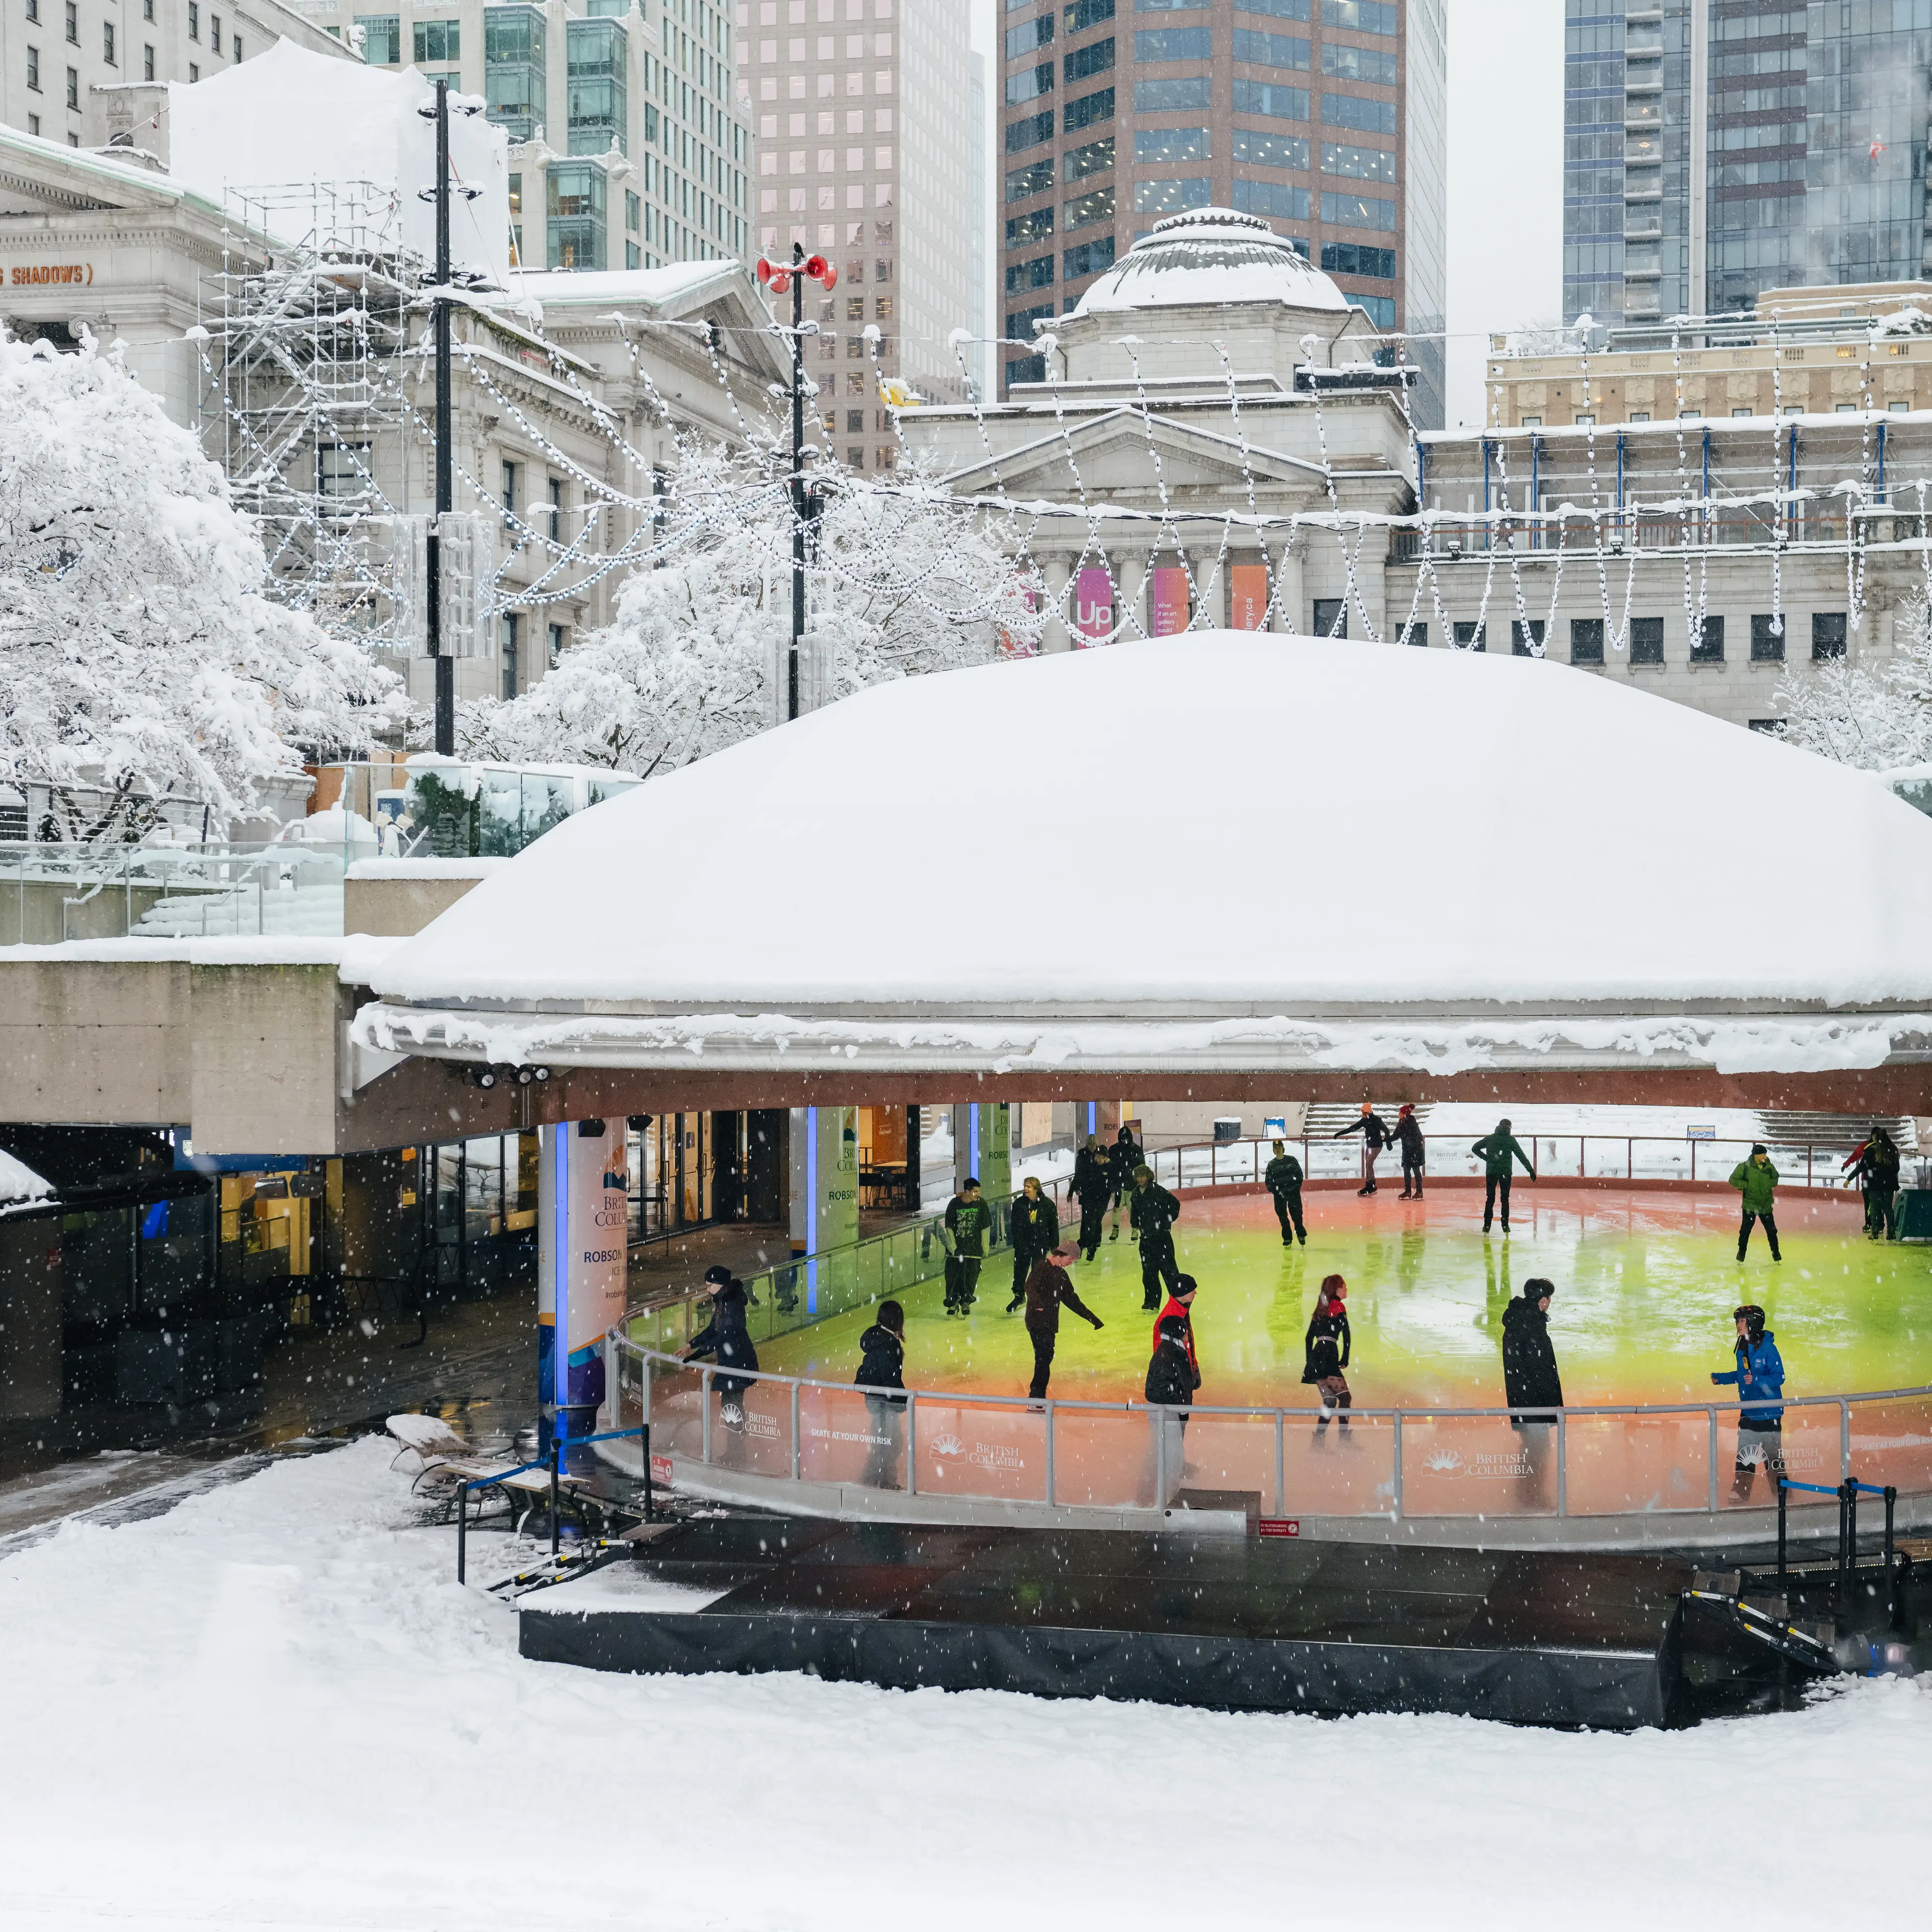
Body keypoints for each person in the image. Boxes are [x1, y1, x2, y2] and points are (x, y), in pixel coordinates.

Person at [1712, 1303, 1786, 1500]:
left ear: (1753, 1322)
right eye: (1738, 1320)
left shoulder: (1769, 1348)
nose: (1738, 1324)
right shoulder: (1742, 1347)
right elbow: (1742, 1374)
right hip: (1748, 1412)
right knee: (1745, 1455)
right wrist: (1722, 1378)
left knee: (1773, 1460)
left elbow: (1779, 1377)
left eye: (1743, 1320)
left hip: (1769, 1414)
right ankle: (1740, 1495)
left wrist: (1758, 1380)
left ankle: (1783, 1497)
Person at [1022, 1241, 1103, 1399]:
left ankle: (1037, 1394)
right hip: (1037, 1320)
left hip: (1050, 1323)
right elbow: (1030, 1287)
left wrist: (1092, 1318)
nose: (1071, 1263)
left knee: (1047, 1355)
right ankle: (1036, 1395)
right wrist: (1038, 1305)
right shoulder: (1042, 1267)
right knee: (1044, 1356)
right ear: (1061, 1254)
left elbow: (1072, 1300)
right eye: (1071, 1259)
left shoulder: (1061, 1275)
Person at [682, 1268, 758, 1432]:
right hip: (731, 1363)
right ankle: (735, 1447)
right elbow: (713, 1329)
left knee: (732, 1407)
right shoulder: (722, 1302)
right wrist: (691, 1345)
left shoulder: (731, 1305)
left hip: (738, 1364)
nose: (708, 1290)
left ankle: (736, 1449)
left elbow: (722, 1336)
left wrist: (697, 1354)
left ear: (720, 1284)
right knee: (730, 1406)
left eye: (710, 1286)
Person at [854, 1299, 908, 1488]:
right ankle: (884, 1480)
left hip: (874, 1397)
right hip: (883, 1399)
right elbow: (889, 1377)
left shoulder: (876, 1337)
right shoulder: (889, 1344)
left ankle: (872, 1478)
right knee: (890, 1442)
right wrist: (902, 1400)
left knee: (882, 1439)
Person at [1500, 1276, 1563, 1428]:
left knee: (1530, 1442)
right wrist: (1550, 1405)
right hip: (1536, 1403)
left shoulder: (1516, 1319)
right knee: (1539, 1445)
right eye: (1549, 1298)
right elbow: (1541, 1368)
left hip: (1521, 1400)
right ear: (1543, 1300)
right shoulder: (1534, 1324)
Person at [1302, 1274, 1352, 1433]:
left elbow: (1309, 1337)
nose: (1346, 1290)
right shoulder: (1338, 1306)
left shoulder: (1321, 1308)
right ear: (1337, 1289)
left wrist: (1310, 1361)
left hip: (1317, 1357)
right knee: (1345, 1398)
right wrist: (1345, 1358)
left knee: (1330, 1401)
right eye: (1344, 1287)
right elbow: (1347, 1334)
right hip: (1328, 1356)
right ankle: (1344, 1437)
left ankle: (1318, 1440)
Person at [1130, 1164, 1183, 1310]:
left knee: (1169, 1271)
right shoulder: (1135, 1194)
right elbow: (1134, 1211)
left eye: (1142, 1176)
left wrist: (1166, 1223)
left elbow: (1174, 1204)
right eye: (1138, 1176)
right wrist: (1135, 1225)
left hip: (1162, 1238)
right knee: (1149, 1273)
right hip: (1146, 1239)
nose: (1140, 1179)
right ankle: (1151, 1302)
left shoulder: (1158, 1191)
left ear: (1148, 1176)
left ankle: (1179, 1301)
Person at [1006, 1174, 1061, 1312]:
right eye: (1025, 1186)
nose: (1026, 1189)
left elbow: (1053, 1225)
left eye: (1029, 1187)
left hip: (1040, 1245)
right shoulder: (1019, 1204)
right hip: (1023, 1246)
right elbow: (1015, 1226)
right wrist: (1018, 1243)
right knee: (1019, 1273)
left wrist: (1055, 1245)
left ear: (1036, 1189)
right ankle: (1019, 1296)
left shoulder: (1047, 1205)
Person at [1471, 1118, 1536, 1235]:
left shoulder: (1490, 1138)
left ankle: (1487, 1225)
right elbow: (1521, 1156)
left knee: (1490, 1198)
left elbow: (1475, 1148)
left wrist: (1487, 1158)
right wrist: (1530, 1170)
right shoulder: (1510, 1140)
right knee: (1505, 1199)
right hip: (1506, 1173)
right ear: (1509, 1127)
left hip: (1491, 1172)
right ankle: (1505, 1225)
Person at [941, 1176, 991, 1316]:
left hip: (974, 1250)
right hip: (957, 1250)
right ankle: (953, 1300)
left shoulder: (982, 1205)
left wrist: (985, 1247)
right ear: (967, 1191)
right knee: (953, 1277)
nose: (978, 1194)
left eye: (979, 1191)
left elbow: (985, 1227)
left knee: (971, 1277)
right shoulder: (954, 1204)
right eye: (975, 1191)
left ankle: (966, 1300)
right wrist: (952, 1247)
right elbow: (949, 1227)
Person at [1843, 1125, 1901, 1242]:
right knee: (1888, 1208)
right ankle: (1891, 1232)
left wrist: (1849, 1178)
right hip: (1889, 1185)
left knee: (1874, 1208)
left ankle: (1875, 1232)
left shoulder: (1870, 1150)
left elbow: (1862, 1167)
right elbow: (1897, 1169)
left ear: (1875, 1137)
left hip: (1874, 1185)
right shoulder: (1893, 1150)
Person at [1729, 1144, 1782, 1262]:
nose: (1765, 1157)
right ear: (1756, 1155)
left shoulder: (1769, 1166)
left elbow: (1776, 1177)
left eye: (1765, 1154)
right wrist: (1746, 1185)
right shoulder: (1745, 1167)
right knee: (1745, 1231)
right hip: (1750, 1205)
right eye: (1763, 1154)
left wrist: (1770, 1183)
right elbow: (1733, 1180)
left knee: (1772, 1231)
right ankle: (1741, 1253)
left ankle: (1776, 1252)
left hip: (1766, 1205)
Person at [1333, 1101, 1393, 1195]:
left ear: (1369, 1112)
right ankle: (1368, 1186)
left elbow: (1386, 1130)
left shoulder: (1377, 1120)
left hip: (1377, 1146)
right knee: (1368, 1164)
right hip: (1370, 1146)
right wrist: (1340, 1133)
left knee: (1369, 1164)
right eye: (1362, 1113)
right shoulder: (1364, 1121)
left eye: (1365, 1113)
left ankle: (1372, 1186)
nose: (1363, 1115)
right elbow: (1353, 1128)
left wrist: (1388, 1142)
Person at [1072, 1135, 1114, 1260]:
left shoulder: (1106, 1164)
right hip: (1089, 1196)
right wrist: (1076, 1188)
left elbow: (1112, 1180)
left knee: (1095, 1220)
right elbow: (1079, 1175)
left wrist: (1111, 1191)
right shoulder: (1085, 1160)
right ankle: (1088, 1243)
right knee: (1089, 1220)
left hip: (1101, 1198)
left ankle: (1092, 1242)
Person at [1263, 1138, 1307, 1246]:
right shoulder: (1271, 1165)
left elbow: (1299, 1176)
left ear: (1283, 1149)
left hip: (1293, 1193)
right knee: (1282, 1216)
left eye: (1279, 1148)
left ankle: (1301, 1234)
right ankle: (1287, 1238)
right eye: (1276, 1148)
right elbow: (1269, 1183)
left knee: (1297, 1214)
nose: (1278, 1150)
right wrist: (1277, 1192)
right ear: (1274, 1151)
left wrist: (1294, 1189)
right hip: (1279, 1195)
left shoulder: (1292, 1161)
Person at [1108, 1122, 1145, 1241]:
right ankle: (1115, 1229)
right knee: (1117, 1208)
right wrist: (1111, 1186)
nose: (1125, 1141)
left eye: (1127, 1139)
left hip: (1132, 1185)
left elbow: (1141, 1168)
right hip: (1118, 1186)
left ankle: (1135, 1229)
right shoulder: (1113, 1150)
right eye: (1122, 1139)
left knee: (1132, 1208)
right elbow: (1111, 1170)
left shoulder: (1137, 1150)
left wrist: (1141, 1184)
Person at [1394, 1103, 1426, 1199]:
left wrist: (1411, 1146)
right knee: (1406, 1171)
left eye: (1400, 1113)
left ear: (1405, 1114)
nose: (1399, 1114)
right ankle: (1408, 1191)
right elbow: (1396, 1135)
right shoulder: (1401, 1123)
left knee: (1416, 1170)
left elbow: (1419, 1137)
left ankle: (1419, 1192)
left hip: (1415, 1152)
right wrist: (1386, 1140)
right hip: (1407, 1152)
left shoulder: (1412, 1123)